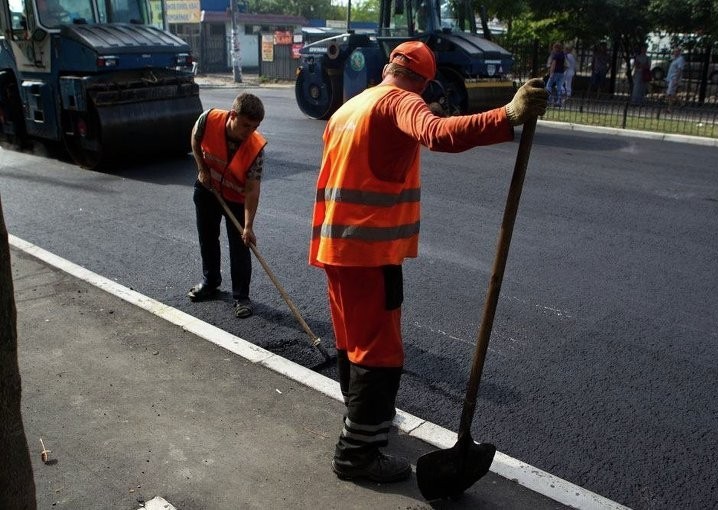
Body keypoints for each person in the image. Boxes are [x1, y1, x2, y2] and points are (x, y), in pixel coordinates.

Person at [309, 41, 547, 483]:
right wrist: (507, 114)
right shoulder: (402, 101)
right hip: (370, 252)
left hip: (335, 248)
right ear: (421, 81)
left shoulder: (349, 108)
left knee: (352, 343)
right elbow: (437, 133)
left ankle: (362, 423)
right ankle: (356, 455)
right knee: (380, 355)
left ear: (386, 68)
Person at [188, 93, 266, 319]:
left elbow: (252, 189)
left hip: (235, 197)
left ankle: (242, 297)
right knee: (208, 237)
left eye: (255, 126)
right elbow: (195, 138)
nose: (249, 132)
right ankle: (210, 282)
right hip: (207, 189)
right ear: (233, 115)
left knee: (241, 245)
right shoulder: (208, 119)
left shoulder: (256, 148)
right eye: (245, 125)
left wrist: (249, 225)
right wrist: (202, 168)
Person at [546, 42, 566, 107]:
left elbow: (553, 65)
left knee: (548, 85)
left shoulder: (556, 55)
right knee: (559, 86)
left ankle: (549, 100)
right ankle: (559, 101)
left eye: (554, 48)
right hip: (561, 73)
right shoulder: (563, 54)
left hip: (555, 73)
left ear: (556, 48)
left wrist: (551, 73)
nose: (553, 49)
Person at [665, 47, 685, 112]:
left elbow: (680, 69)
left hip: (674, 78)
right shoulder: (674, 59)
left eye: (676, 51)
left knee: (669, 94)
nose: (674, 53)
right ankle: (681, 103)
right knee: (671, 93)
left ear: (679, 52)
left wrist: (677, 79)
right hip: (670, 78)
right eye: (674, 51)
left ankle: (669, 108)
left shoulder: (680, 59)